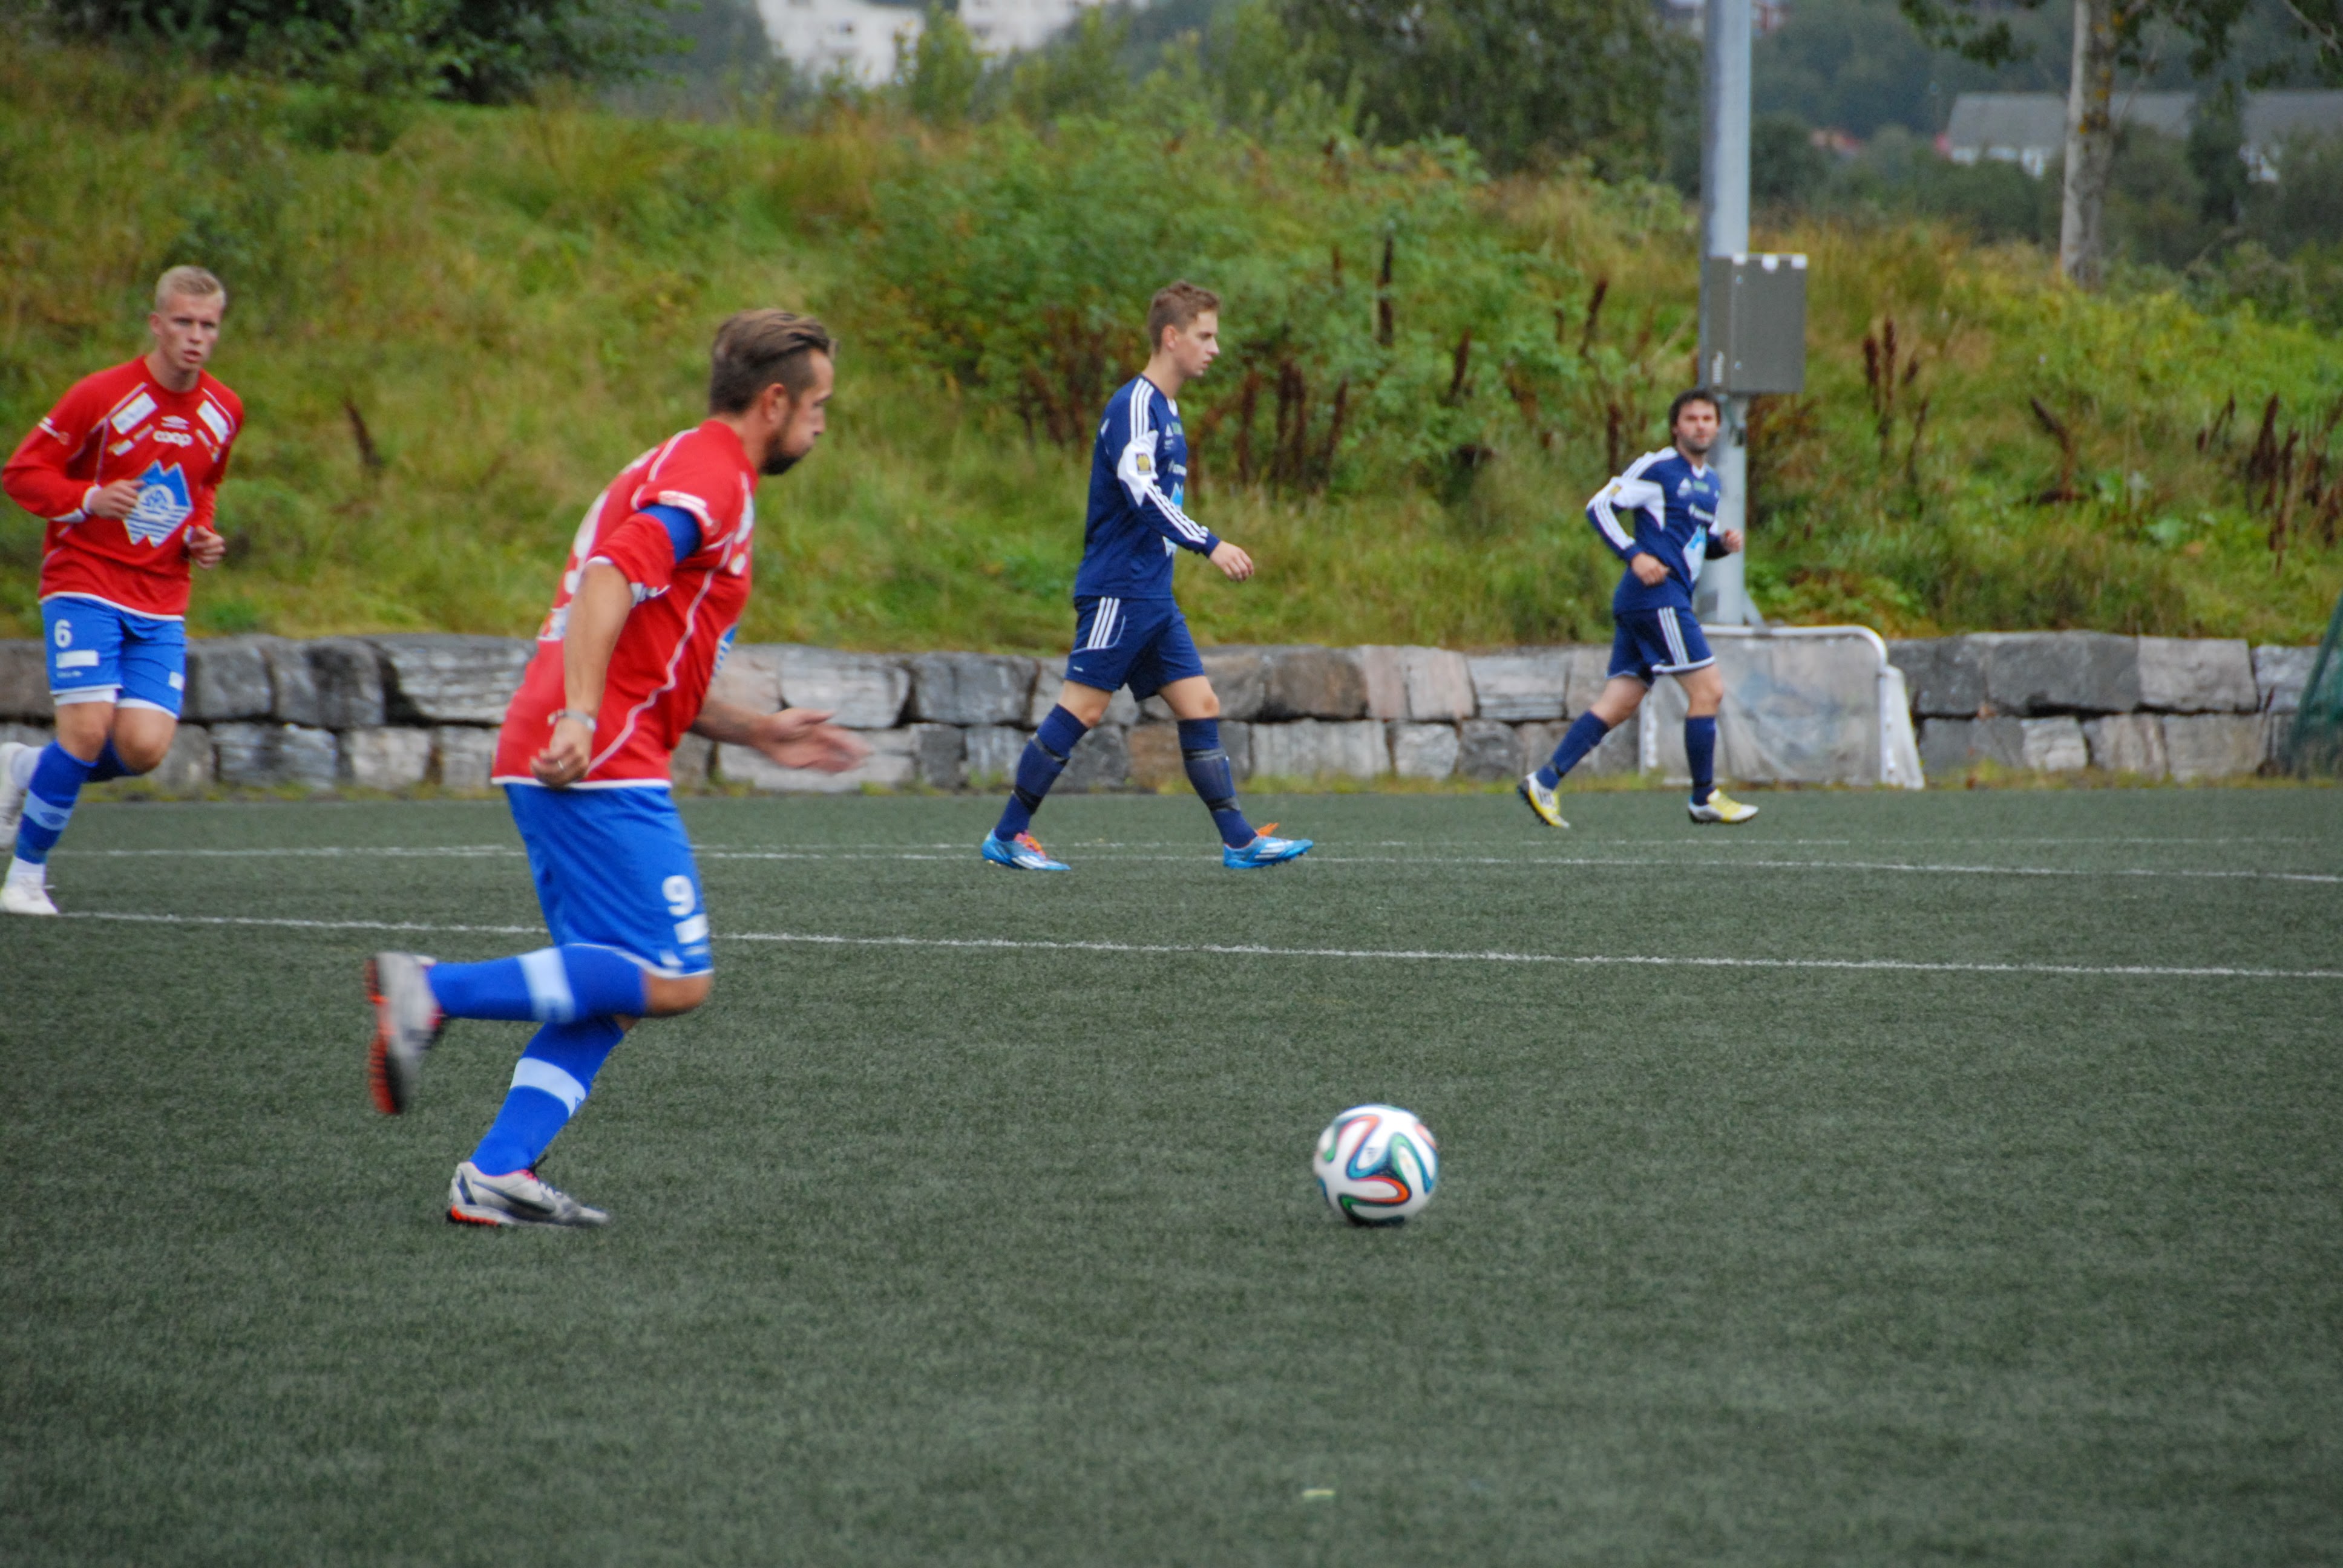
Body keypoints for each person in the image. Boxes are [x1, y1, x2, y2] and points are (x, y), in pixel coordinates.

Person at [365, 309, 869, 1228]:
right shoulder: (713, 477)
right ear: (773, 402)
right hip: (596, 757)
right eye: (819, 405)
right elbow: (610, 577)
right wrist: (581, 716)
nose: (823, 424)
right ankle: (429, 992)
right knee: (675, 976)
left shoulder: (691, 464)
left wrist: (758, 732)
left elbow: (656, 654)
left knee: (611, 990)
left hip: (586, 744)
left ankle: (497, 1173)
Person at [980, 281, 1310, 872]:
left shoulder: (1168, 411)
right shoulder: (1134, 405)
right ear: (1171, 337)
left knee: (1200, 703)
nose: (1215, 348)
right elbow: (1142, 493)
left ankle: (1239, 841)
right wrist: (1210, 544)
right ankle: (1007, 835)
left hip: (1151, 592)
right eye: (1205, 336)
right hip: (1118, 589)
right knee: (1082, 710)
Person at [0, 266, 240, 915]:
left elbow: (204, 483)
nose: (195, 336)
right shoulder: (101, 395)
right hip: (85, 581)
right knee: (85, 732)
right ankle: (24, 878)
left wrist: (201, 535)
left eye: (208, 325)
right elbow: (22, 473)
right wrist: (89, 498)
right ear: (157, 324)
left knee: (142, 748)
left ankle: (23, 769)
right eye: (183, 322)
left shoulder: (224, 410)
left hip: (161, 599)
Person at [1519, 390, 1760, 829]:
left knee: (1618, 703)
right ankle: (1704, 796)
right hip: (1656, 598)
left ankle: (1544, 780)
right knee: (1708, 690)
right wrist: (1634, 554)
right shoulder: (1659, 467)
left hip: (1655, 601)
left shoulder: (1710, 482)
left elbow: (1692, 543)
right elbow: (1599, 506)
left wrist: (1720, 546)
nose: (1701, 425)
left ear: (1718, 426)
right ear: (1676, 427)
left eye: (1708, 418)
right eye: (1691, 418)